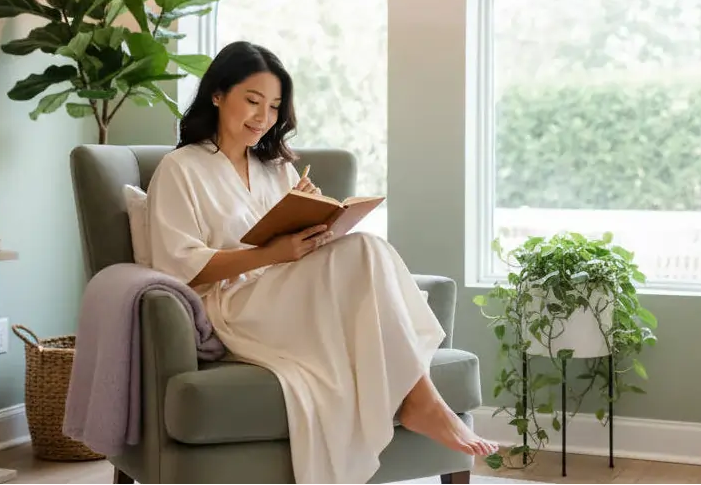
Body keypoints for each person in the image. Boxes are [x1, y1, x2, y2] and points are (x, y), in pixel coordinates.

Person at [146, 41, 499, 485]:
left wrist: (320, 225)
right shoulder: (180, 168)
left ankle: (417, 398)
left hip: (288, 292)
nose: (263, 117)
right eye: (252, 101)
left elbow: (294, 242)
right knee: (365, 254)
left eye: (274, 107)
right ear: (217, 94)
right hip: (233, 307)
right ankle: (419, 400)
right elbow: (180, 266)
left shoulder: (274, 168)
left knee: (365, 246)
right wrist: (275, 253)